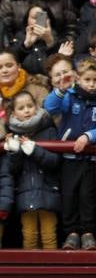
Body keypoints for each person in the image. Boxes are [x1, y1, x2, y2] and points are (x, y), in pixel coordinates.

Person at [43, 55, 96, 251]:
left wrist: (89, 136)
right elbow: (50, 107)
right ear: (78, 79)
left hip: (89, 158)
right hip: (68, 158)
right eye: (87, 79)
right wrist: (60, 90)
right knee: (69, 195)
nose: (91, 84)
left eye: (95, 80)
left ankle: (88, 233)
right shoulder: (69, 96)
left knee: (87, 196)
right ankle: (71, 233)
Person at [4, 89, 60, 249]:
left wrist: (35, 150)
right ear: (14, 114)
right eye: (21, 108)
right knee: (29, 236)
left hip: (48, 191)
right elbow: (12, 169)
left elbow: (55, 161)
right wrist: (15, 152)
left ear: (36, 106)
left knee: (49, 236)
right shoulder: (12, 134)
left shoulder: (49, 130)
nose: (27, 110)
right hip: (25, 193)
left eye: (30, 106)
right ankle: (31, 273)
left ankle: (51, 273)